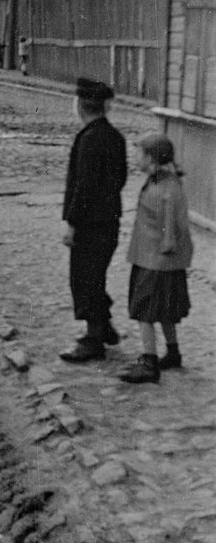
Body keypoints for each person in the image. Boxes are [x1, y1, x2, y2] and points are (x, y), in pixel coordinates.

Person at [60, 78, 127, 363]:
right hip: (109, 219)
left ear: (80, 107)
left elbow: (83, 187)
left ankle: (93, 340)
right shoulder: (114, 136)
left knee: (84, 278)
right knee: (94, 275)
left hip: (89, 223)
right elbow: (120, 178)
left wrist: (71, 221)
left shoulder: (88, 139)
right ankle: (104, 326)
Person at [118, 134, 193, 384]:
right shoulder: (161, 182)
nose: (136, 157)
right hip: (152, 257)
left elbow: (171, 230)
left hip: (156, 260)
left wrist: (167, 245)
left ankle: (149, 362)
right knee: (165, 310)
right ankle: (173, 352)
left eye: (139, 153)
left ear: (150, 158)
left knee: (146, 312)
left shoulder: (166, 189)